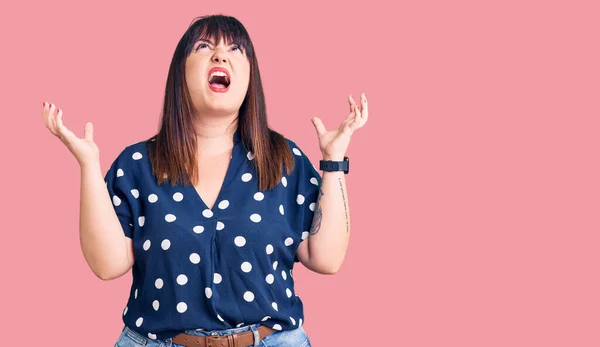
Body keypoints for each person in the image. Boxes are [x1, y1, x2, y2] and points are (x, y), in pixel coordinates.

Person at [42, 14, 368, 347]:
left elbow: (325, 259)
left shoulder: (284, 159)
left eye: (235, 48)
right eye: (203, 46)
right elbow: (107, 265)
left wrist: (334, 161)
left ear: (250, 77)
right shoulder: (137, 165)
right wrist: (88, 163)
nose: (220, 55)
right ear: (180, 74)